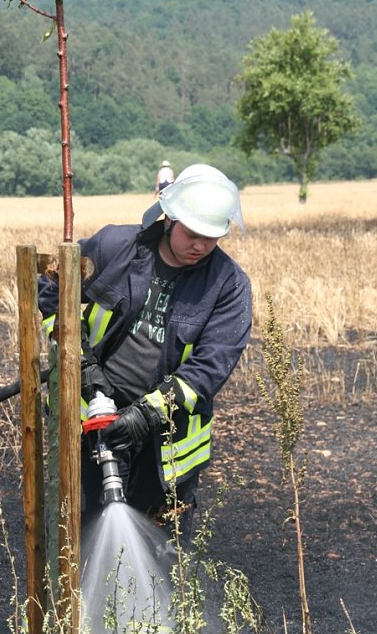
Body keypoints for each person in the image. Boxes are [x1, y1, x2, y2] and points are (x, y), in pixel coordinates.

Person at [38, 164, 252, 554]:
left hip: (166, 444)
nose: (200, 246)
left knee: (163, 554)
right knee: (81, 540)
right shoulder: (113, 247)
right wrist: (77, 358)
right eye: (192, 234)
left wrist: (147, 415)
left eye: (212, 237)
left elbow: (209, 368)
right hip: (89, 419)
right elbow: (53, 282)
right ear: (169, 218)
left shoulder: (229, 286)